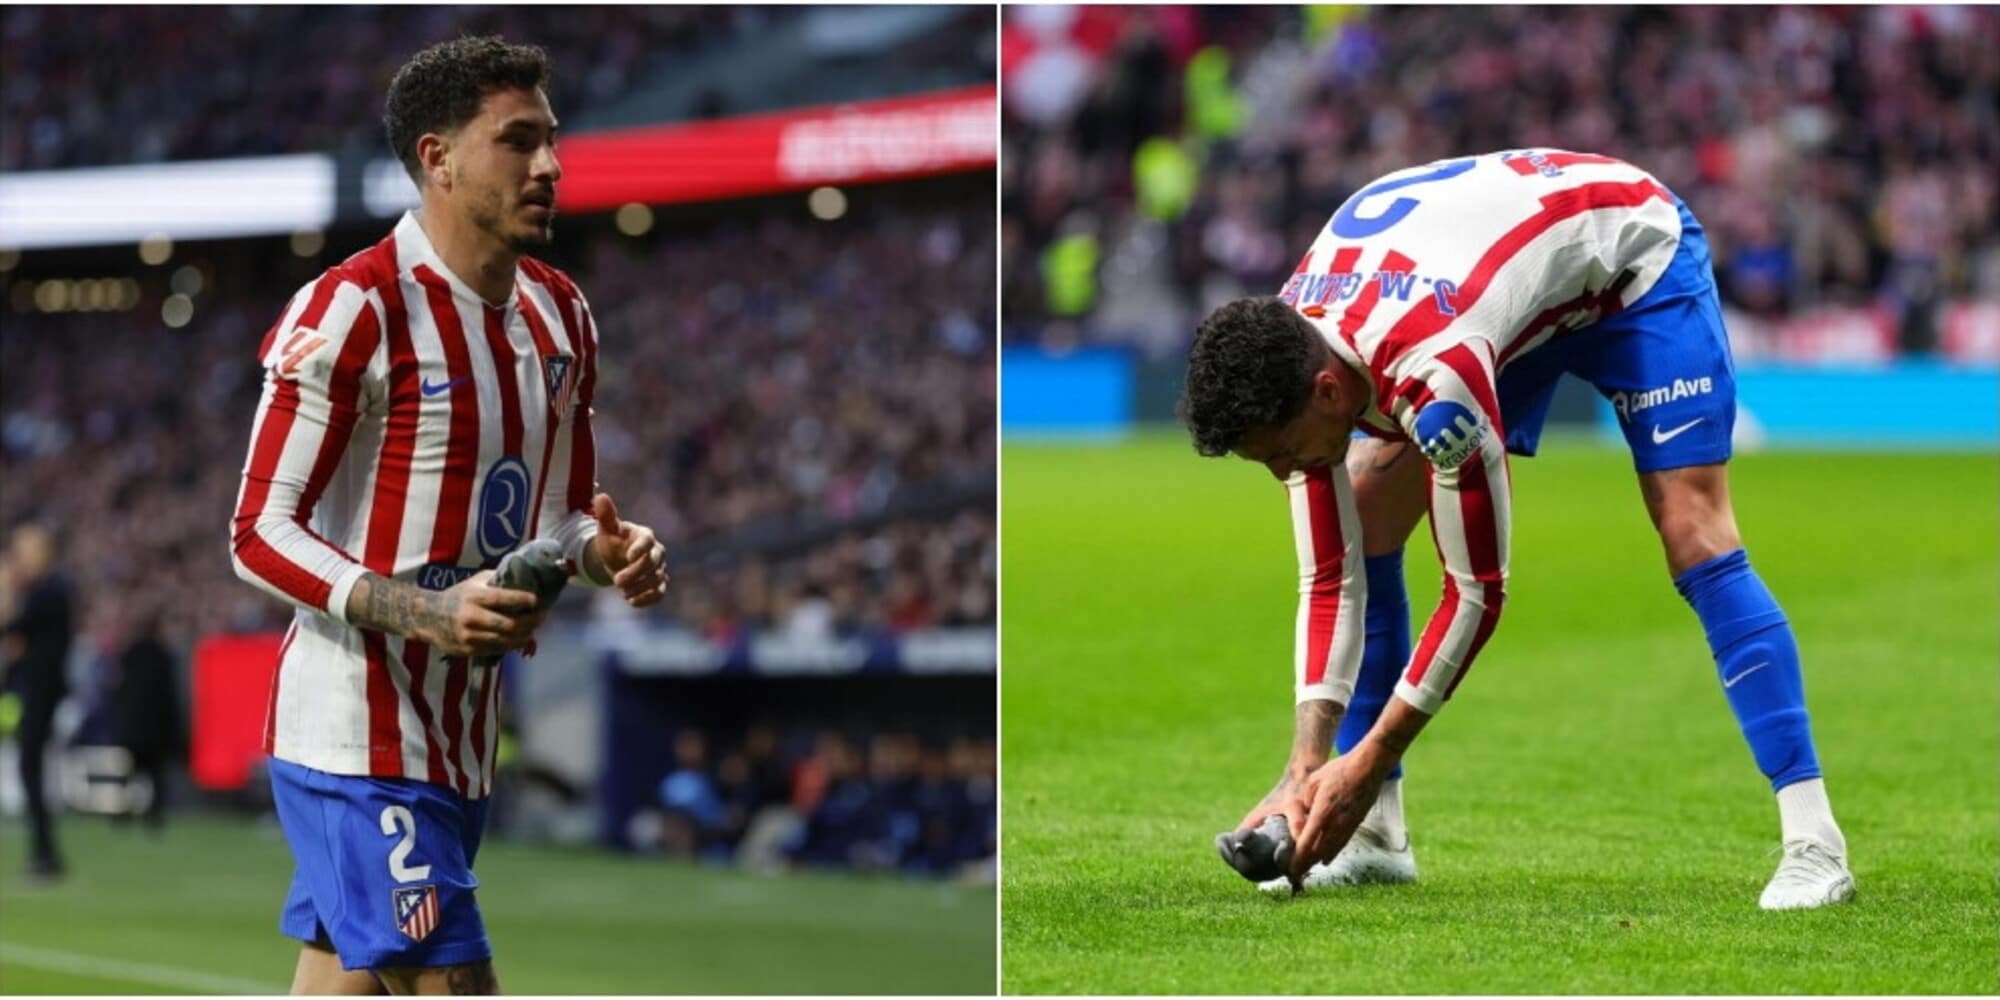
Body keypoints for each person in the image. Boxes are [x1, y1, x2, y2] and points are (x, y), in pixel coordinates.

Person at [1181, 149, 1853, 910]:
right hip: (1507, 293)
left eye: (1279, 454)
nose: (1283, 474)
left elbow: (1477, 592)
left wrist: (1371, 753)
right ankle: (1376, 837)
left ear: (1328, 391)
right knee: (1367, 517)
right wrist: (1304, 767)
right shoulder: (1291, 344)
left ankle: (1814, 843)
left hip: (1629, 259)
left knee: (1693, 531)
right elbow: (1329, 575)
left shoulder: (1436, 370)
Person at [229, 36, 669, 994]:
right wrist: (422, 611)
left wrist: (607, 551)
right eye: (518, 142)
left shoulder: (562, 316)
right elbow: (256, 531)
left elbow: (556, 524)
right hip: (357, 736)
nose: (549, 165)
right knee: (455, 985)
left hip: (462, 739)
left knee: (338, 982)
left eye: (550, 140)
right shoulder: (354, 309)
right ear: (438, 158)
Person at [2, 524, 74, 881]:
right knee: (30, 768)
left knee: (32, 767)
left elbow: (13, 625)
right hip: (35, 689)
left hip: (42, 691)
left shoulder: (50, 590)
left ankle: (45, 853)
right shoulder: (46, 591)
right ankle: (43, 851)